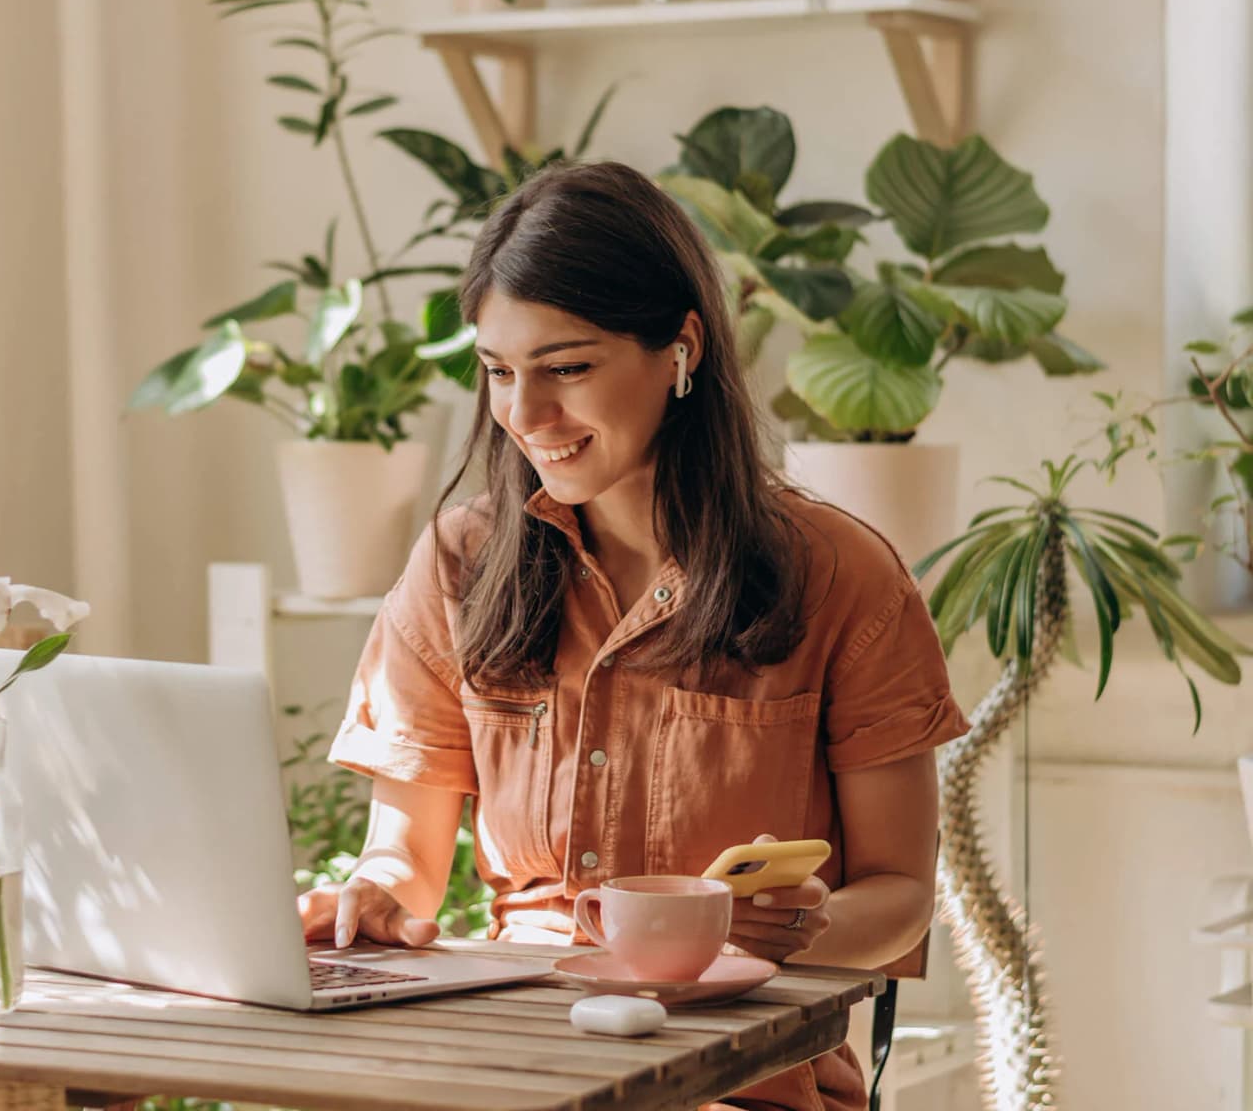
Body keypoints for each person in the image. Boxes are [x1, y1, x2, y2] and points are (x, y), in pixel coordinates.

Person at [296, 159, 970, 1110]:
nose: (526, 416)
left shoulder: (840, 575)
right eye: (498, 372)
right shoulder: (462, 561)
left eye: (567, 368)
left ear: (681, 349)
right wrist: (369, 897)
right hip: (507, 1061)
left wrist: (801, 928)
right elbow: (403, 861)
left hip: (739, 1076)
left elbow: (901, 889)